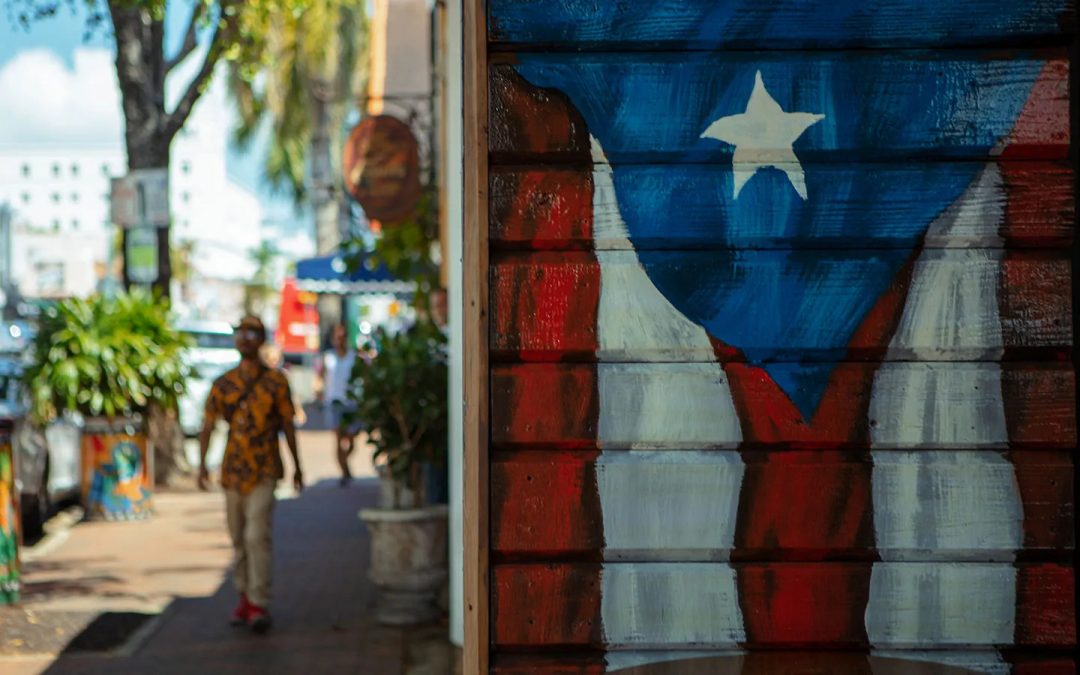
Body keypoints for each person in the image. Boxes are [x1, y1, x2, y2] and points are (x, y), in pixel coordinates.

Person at [197, 315, 303, 634]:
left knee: (257, 534)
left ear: (262, 339)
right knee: (238, 537)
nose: (245, 338)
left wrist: (298, 465)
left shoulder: (276, 382)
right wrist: (201, 464)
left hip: (265, 467)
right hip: (233, 470)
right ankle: (244, 596)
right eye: (241, 332)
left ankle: (259, 601)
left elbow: (287, 424)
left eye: (252, 333)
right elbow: (208, 424)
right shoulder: (224, 383)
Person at [316, 324, 358, 486]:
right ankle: (344, 471)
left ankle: (345, 462)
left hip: (351, 402)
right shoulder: (328, 358)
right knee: (338, 438)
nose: (339, 341)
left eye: (342, 337)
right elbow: (320, 376)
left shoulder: (354, 357)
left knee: (352, 439)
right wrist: (319, 392)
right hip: (333, 403)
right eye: (337, 338)